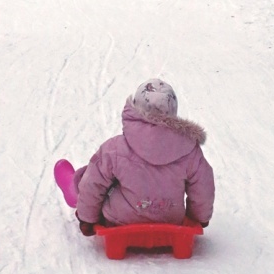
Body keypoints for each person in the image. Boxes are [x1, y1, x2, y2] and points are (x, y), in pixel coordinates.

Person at [71, 79, 215, 236]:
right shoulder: (190, 151)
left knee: (89, 174)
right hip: (171, 220)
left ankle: (74, 186)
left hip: (120, 221)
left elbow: (94, 183)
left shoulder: (115, 148)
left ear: (134, 109)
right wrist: (199, 218)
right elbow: (203, 187)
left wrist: (88, 219)